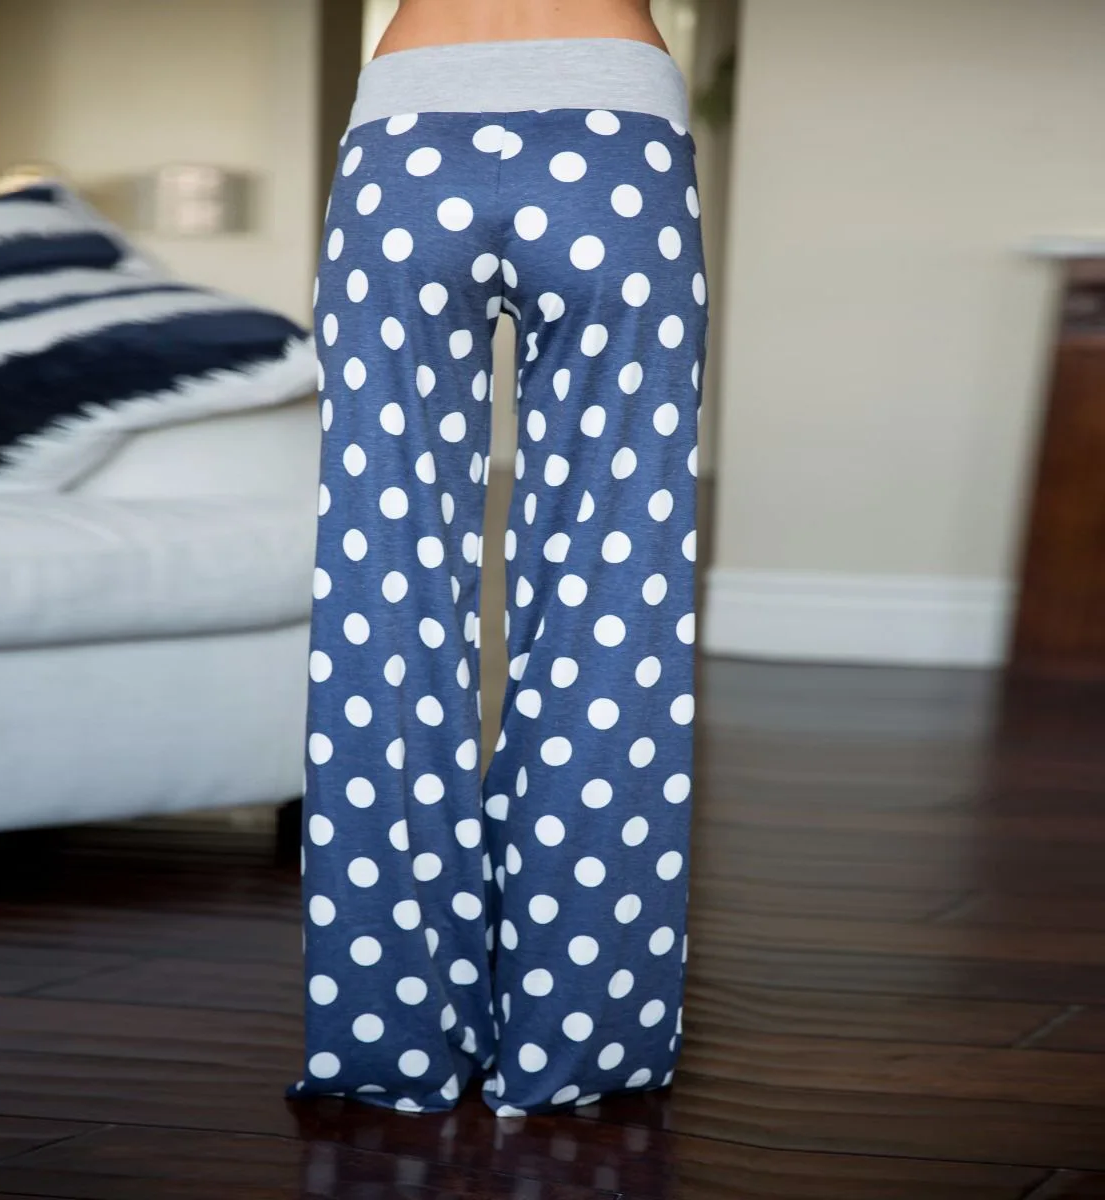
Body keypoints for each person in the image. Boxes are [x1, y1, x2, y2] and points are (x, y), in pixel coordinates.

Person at [290, 0, 708, 1117]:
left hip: (406, 134)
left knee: (381, 583)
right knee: (616, 582)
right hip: (617, 133)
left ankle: (393, 1041)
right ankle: (581, 1040)